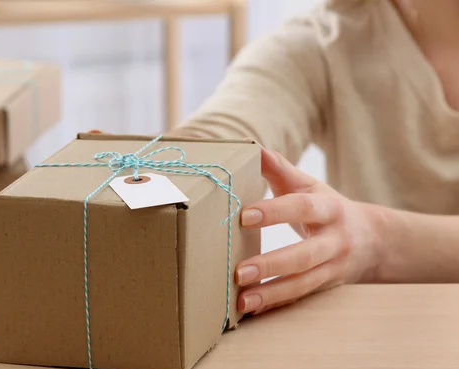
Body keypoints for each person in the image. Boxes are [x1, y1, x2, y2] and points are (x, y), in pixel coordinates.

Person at [94, 0, 459, 315]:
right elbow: (225, 132)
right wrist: (150, 166)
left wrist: (377, 240)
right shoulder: (325, 42)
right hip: (384, 352)